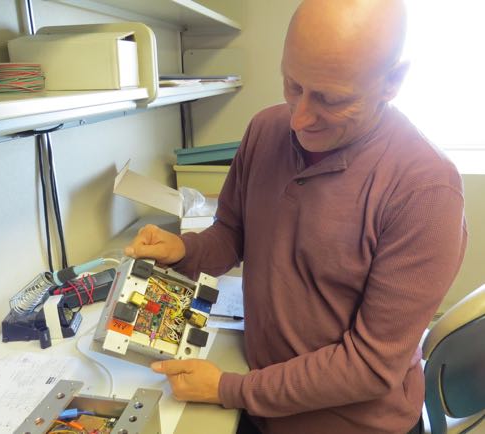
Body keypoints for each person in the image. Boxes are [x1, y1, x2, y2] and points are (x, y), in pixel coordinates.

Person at [125, 0, 467, 433]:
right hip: (260, 396)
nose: (301, 118)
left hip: (350, 423)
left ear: (392, 81)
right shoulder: (266, 130)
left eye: (331, 99)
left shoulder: (426, 191)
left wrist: (230, 389)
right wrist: (184, 250)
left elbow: (369, 365)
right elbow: (232, 233)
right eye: (293, 85)